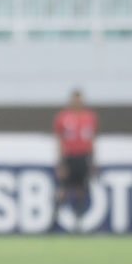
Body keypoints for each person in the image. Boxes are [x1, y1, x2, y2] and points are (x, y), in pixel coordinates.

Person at [52, 88, 98, 231]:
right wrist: (61, 162)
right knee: (63, 190)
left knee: (81, 190)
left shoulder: (90, 117)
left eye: (80, 99)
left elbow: (92, 140)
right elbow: (59, 141)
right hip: (69, 157)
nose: (77, 102)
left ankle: (78, 223)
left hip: (83, 157)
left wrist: (93, 161)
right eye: (75, 99)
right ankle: (54, 221)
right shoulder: (63, 117)